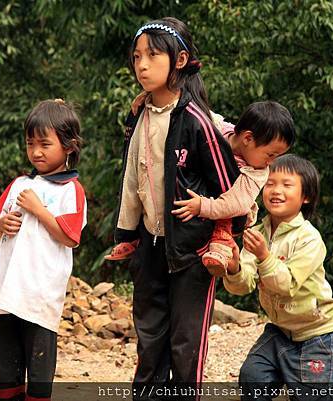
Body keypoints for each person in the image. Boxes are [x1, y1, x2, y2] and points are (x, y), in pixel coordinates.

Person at [109, 17, 247, 396]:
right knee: (149, 343)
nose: (142, 65)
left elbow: (229, 188)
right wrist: (127, 235)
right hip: (150, 245)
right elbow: (132, 179)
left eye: (153, 56)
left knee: (185, 348)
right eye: (136, 57)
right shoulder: (138, 114)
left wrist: (223, 236)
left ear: (180, 60)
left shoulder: (196, 121)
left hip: (192, 252)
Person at [0, 99, 86, 401]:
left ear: (69, 146)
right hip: (9, 291)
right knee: (7, 370)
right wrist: (2, 224)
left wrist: (40, 210)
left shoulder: (71, 190)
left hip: (41, 296)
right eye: (31, 143)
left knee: (40, 369)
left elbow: (70, 237)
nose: (36, 152)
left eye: (45, 144)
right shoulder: (19, 184)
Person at [224, 154, 333, 401]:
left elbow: (286, 285)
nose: (276, 190)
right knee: (252, 377)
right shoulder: (257, 233)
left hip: (317, 335)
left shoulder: (309, 239)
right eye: (270, 183)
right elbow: (244, 285)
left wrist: (264, 256)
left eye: (287, 185)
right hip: (279, 331)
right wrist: (234, 268)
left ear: (305, 196)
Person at [172, 101, 295, 277]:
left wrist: (203, 207)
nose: (272, 162)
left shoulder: (258, 171)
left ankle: (221, 250)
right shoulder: (217, 131)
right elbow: (201, 113)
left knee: (226, 221)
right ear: (247, 138)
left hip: (228, 210)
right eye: (271, 154)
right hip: (201, 191)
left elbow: (236, 204)